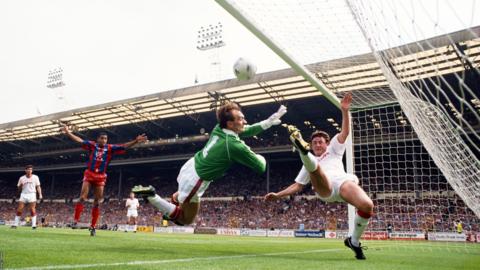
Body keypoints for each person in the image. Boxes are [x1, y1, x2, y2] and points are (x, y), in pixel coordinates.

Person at [133, 102, 287, 226]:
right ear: (230, 124)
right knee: (185, 220)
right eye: (240, 119)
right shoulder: (233, 145)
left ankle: (177, 198)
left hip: (191, 166)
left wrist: (268, 123)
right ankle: (152, 197)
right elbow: (261, 167)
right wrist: (261, 156)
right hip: (196, 180)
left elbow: (246, 130)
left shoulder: (219, 127)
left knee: (180, 199)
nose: (244, 121)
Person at [264, 93, 374, 260]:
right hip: (325, 189)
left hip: (342, 182)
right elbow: (298, 185)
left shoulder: (334, 149)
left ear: (327, 143)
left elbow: (344, 132)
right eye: (314, 142)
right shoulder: (311, 162)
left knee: (367, 205)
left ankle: (354, 241)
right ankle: (302, 150)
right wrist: (278, 195)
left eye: (320, 142)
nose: (317, 144)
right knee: (315, 169)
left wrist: (344, 111)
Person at [61, 124, 147, 236]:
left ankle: (93, 227)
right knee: (82, 197)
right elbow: (80, 141)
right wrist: (68, 132)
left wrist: (136, 141)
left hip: (101, 177)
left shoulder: (110, 148)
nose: (104, 140)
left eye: (106, 138)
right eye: (102, 138)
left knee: (97, 202)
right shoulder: (92, 145)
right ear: (98, 139)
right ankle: (75, 220)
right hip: (89, 174)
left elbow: (124, 146)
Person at [12, 165, 43, 229]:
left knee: (32, 209)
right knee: (19, 209)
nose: (29, 170)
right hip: (23, 194)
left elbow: (38, 186)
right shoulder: (21, 178)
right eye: (28, 169)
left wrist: (40, 194)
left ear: (32, 171)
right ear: (25, 170)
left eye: (30, 169)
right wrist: (20, 185)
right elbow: (19, 189)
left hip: (32, 194)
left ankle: (34, 225)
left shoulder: (35, 177)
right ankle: (15, 224)